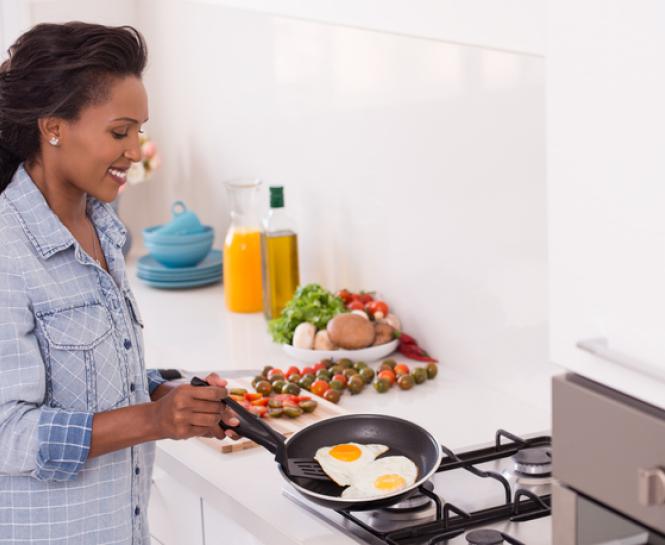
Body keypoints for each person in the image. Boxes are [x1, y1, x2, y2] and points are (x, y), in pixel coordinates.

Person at [0, 22, 239, 544]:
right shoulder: (6, 251)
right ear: (53, 127)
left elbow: (82, 375)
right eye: (119, 131)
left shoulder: (101, 227)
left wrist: (166, 394)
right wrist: (154, 419)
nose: (135, 151)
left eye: (139, 132)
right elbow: (7, 433)